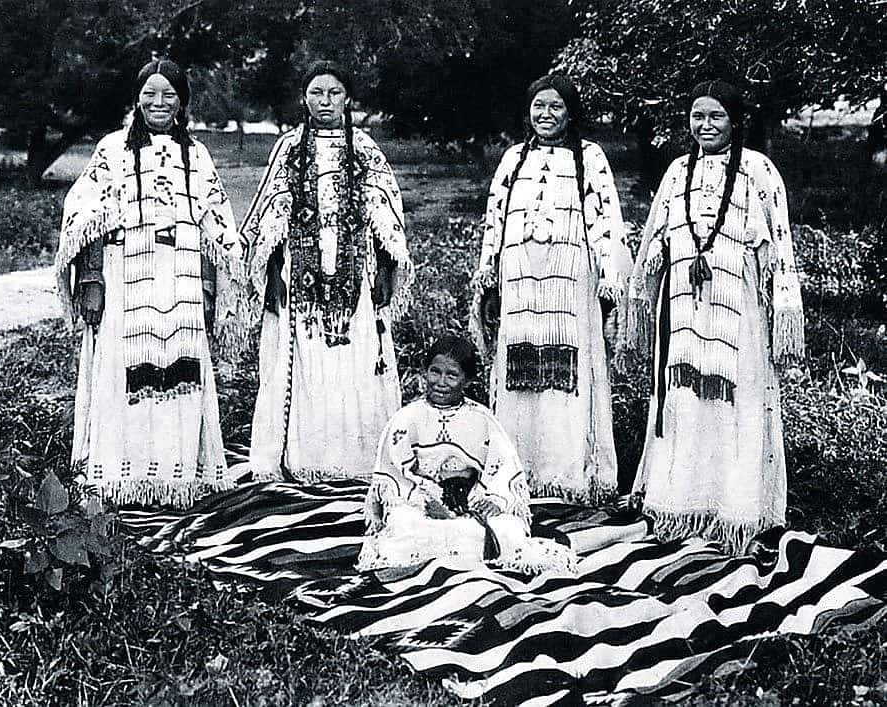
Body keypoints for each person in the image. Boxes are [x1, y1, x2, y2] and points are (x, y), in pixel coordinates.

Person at [619, 80, 805, 554]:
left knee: (734, 403)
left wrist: (784, 311)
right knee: (684, 401)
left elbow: (779, 247)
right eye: (697, 116)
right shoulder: (677, 171)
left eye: (715, 117)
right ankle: (680, 505)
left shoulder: (759, 171)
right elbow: (653, 243)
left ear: (735, 121)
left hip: (737, 310)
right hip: (682, 308)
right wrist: (641, 298)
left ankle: (735, 513)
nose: (705, 126)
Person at [55, 58, 249, 507]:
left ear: (182, 103)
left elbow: (215, 225)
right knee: (123, 370)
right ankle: (121, 476)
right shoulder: (112, 149)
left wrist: (208, 287)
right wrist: (90, 277)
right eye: (150, 94)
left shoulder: (195, 154)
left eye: (169, 95)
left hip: (178, 273)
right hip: (124, 273)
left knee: (179, 373)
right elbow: (86, 216)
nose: (158, 103)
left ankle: (175, 476)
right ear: (137, 98)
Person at [242, 61, 414, 482]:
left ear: (347, 99)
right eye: (317, 93)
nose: (325, 101)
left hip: (357, 280)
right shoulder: (289, 148)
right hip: (299, 283)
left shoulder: (367, 149)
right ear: (305, 98)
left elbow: (388, 214)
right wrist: (271, 273)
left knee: (355, 366)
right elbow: (267, 215)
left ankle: (359, 461)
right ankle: (306, 459)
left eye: (334, 93)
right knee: (305, 366)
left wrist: (389, 270)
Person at [469, 74, 633, 504]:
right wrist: (488, 278)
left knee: (569, 376)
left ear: (571, 112)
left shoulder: (591, 158)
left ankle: (568, 477)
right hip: (520, 284)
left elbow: (607, 226)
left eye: (555, 107)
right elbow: (494, 223)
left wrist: (610, 284)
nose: (545, 115)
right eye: (538, 106)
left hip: (572, 285)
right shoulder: (512, 160)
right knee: (519, 374)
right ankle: (518, 473)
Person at [358, 336, 578, 574]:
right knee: (404, 527)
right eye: (435, 372)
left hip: (470, 500)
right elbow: (394, 476)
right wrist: (427, 501)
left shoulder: (481, 419)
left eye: (452, 375)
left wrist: (492, 500)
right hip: (420, 502)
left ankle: (465, 550)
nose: (441, 382)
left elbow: (502, 468)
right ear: (425, 372)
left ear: (468, 379)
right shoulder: (406, 418)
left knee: (505, 530)